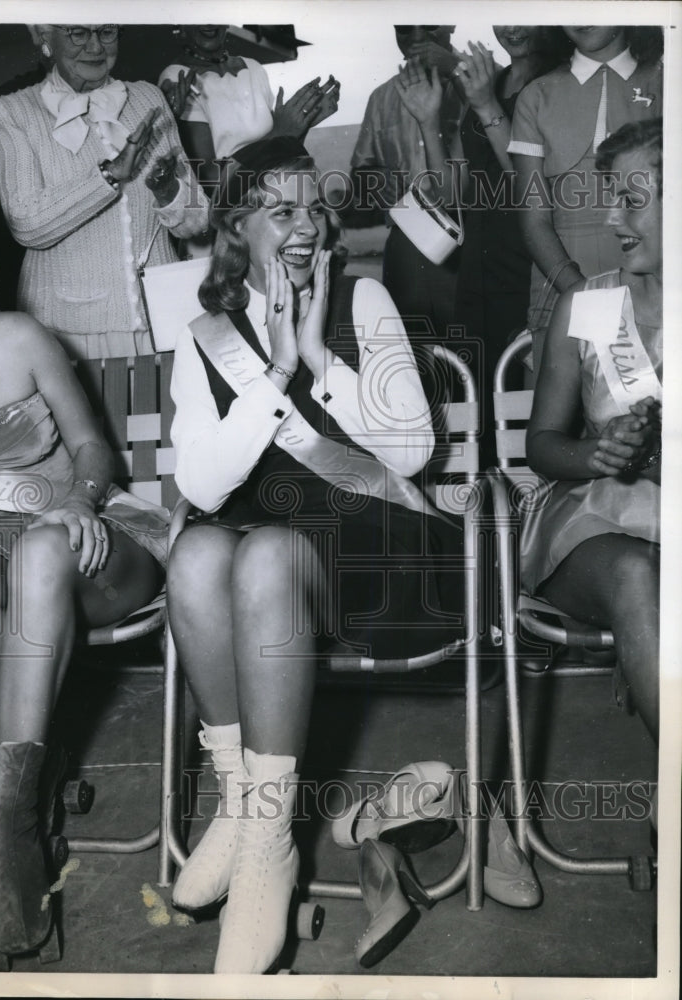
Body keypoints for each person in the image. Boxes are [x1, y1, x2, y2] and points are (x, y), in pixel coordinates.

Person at [165, 137, 537, 974]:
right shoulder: (208, 332)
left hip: (384, 555)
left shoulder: (361, 297)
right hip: (274, 560)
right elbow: (202, 481)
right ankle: (254, 820)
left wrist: (321, 360)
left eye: (313, 207)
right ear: (236, 227)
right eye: (280, 209)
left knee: (257, 555)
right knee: (194, 557)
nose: (304, 226)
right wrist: (276, 370)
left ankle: (263, 851)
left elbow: (408, 451)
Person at [0, 189, 169, 962]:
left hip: (95, 546)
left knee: (39, 548)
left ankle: (13, 828)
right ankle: (31, 785)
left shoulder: (17, 337)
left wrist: (76, 502)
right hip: (3, 577)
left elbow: (93, 449)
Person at [522, 118, 662, 745]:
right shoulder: (590, 308)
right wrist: (599, 454)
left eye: (632, 200)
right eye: (612, 198)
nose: (611, 219)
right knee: (637, 574)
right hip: (595, 522)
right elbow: (542, 445)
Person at [0, 23, 210, 360]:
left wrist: (169, 191)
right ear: (43, 37)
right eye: (77, 33)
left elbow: (199, 218)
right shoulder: (9, 113)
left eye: (106, 32)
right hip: (71, 333)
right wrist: (109, 175)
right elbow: (26, 223)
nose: (95, 47)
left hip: (166, 319)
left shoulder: (148, 96)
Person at [396, 27, 564, 463]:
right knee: (475, 408)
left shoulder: (559, 82)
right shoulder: (491, 82)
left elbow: (532, 184)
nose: (515, 27)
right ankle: (477, 518)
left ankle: (534, 520)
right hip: (478, 271)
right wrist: (429, 123)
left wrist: (487, 105)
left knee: (527, 411)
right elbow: (453, 195)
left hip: (532, 266)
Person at [509, 26, 663, 370]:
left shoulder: (667, 80)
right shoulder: (536, 96)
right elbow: (534, 221)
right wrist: (583, 297)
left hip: (652, 291)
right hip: (560, 289)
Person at [159, 24, 339, 255]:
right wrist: (282, 133)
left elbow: (277, 160)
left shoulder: (254, 68)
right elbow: (209, 177)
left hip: (269, 219)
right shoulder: (176, 77)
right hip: (223, 230)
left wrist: (303, 122)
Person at [348, 25, 463, 340]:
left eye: (427, 27)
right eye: (402, 30)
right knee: (412, 351)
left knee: (472, 349)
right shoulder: (382, 96)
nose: (415, 38)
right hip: (406, 240)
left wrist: (456, 69)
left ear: (449, 25)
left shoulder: (478, 84)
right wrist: (374, 180)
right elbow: (361, 170)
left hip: (470, 238)